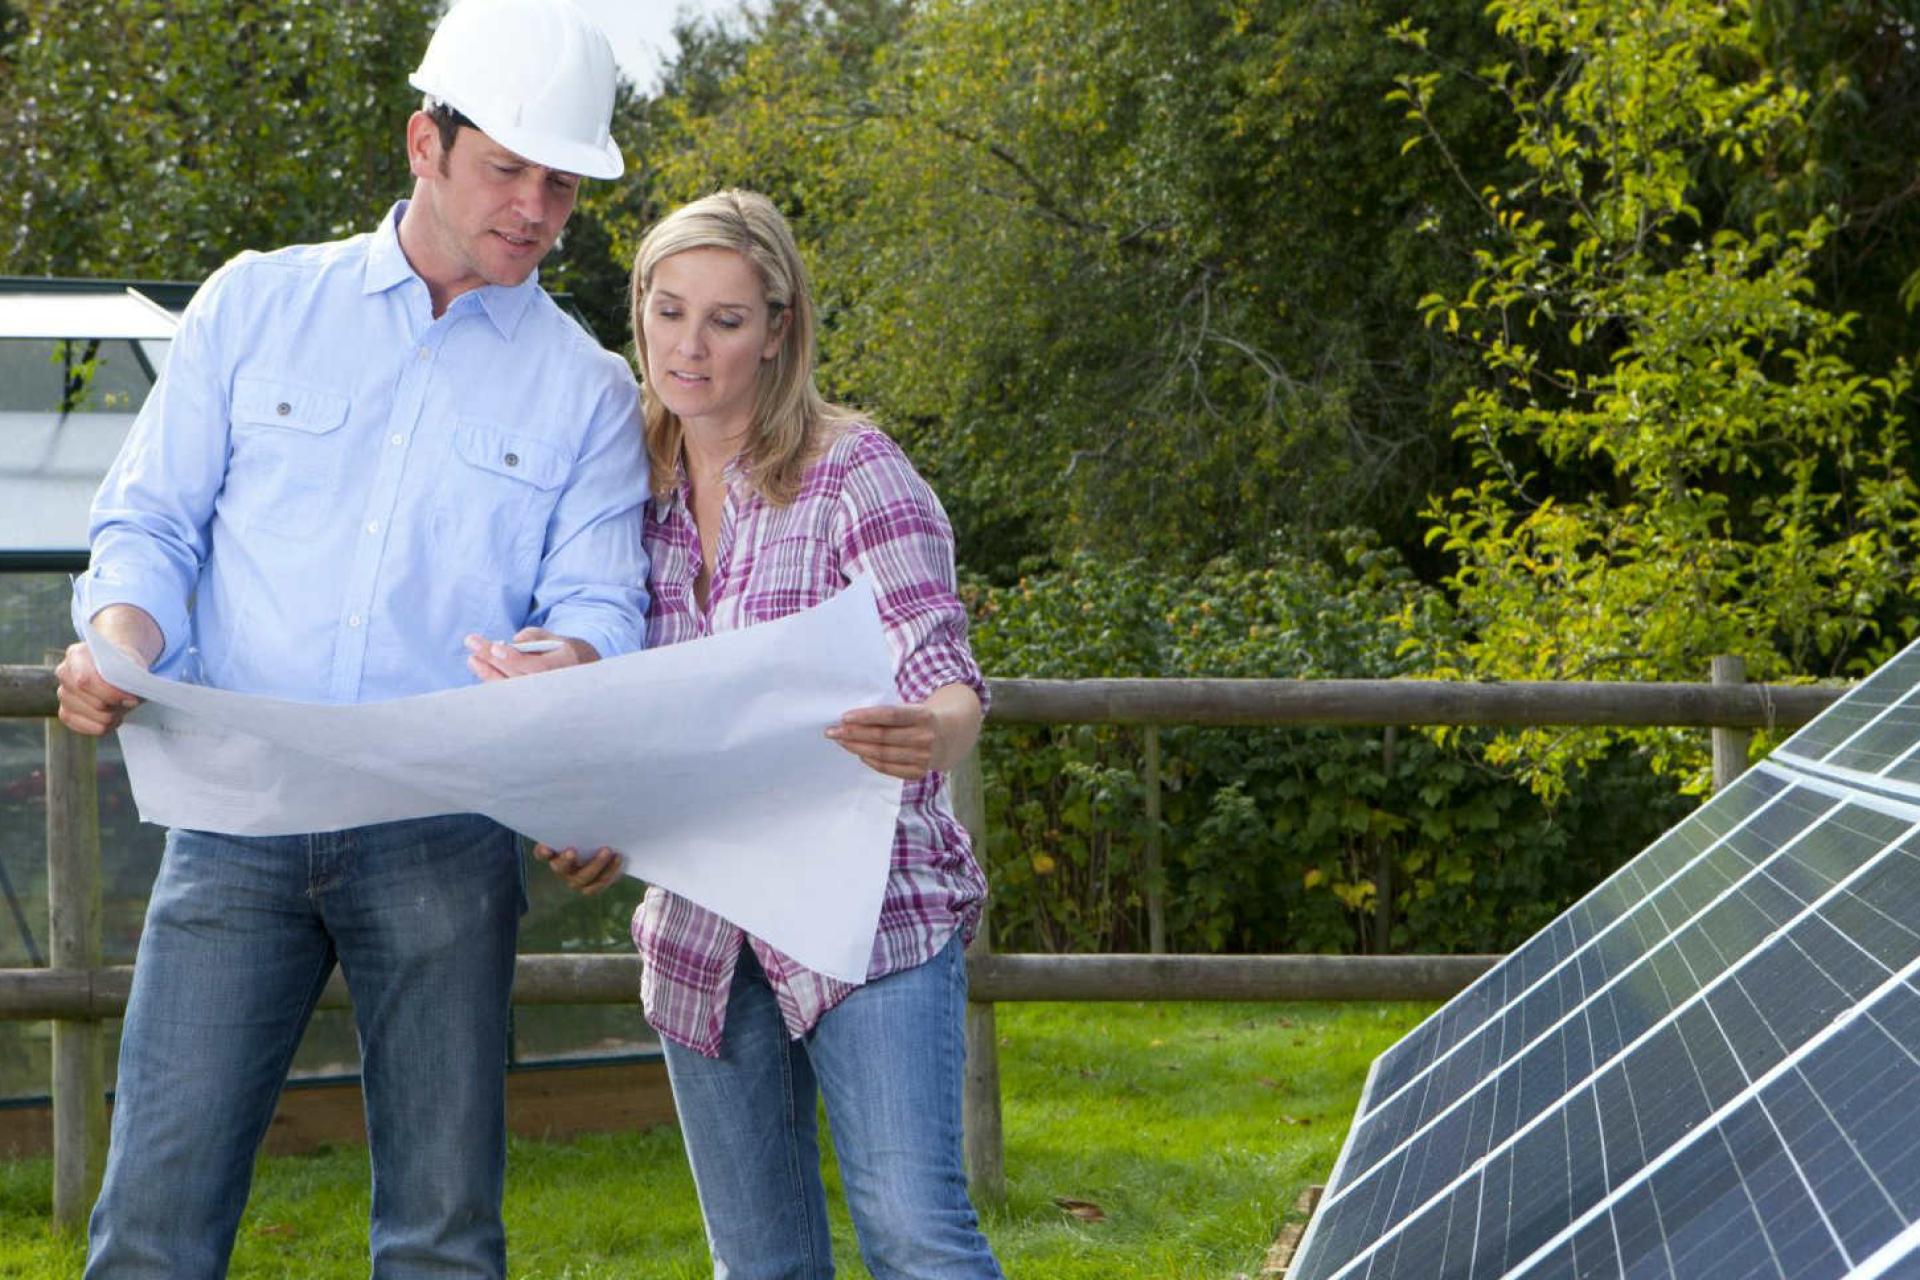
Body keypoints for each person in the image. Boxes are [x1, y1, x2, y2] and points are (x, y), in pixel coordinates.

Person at [52, 2, 648, 1275]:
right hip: (234, 817)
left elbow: (602, 607)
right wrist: (119, 638)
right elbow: (151, 525)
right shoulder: (255, 304)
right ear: (425, 143)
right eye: (509, 169)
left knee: (442, 1235)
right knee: (152, 1222)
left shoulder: (591, 388)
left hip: (444, 831)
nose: (537, 210)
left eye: (563, 185)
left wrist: (569, 666)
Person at [535, 190, 1006, 1278]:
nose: (689, 347)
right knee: (759, 1266)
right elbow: (611, 701)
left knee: (916, 1234)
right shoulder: (620, 493)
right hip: (702, 931)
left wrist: (931, 733)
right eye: (667, 312)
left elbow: (944, 672)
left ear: (779, 330)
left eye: (727, 320)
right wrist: (591, 822)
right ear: (638, 312)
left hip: (871, 911)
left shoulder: (853, 470)